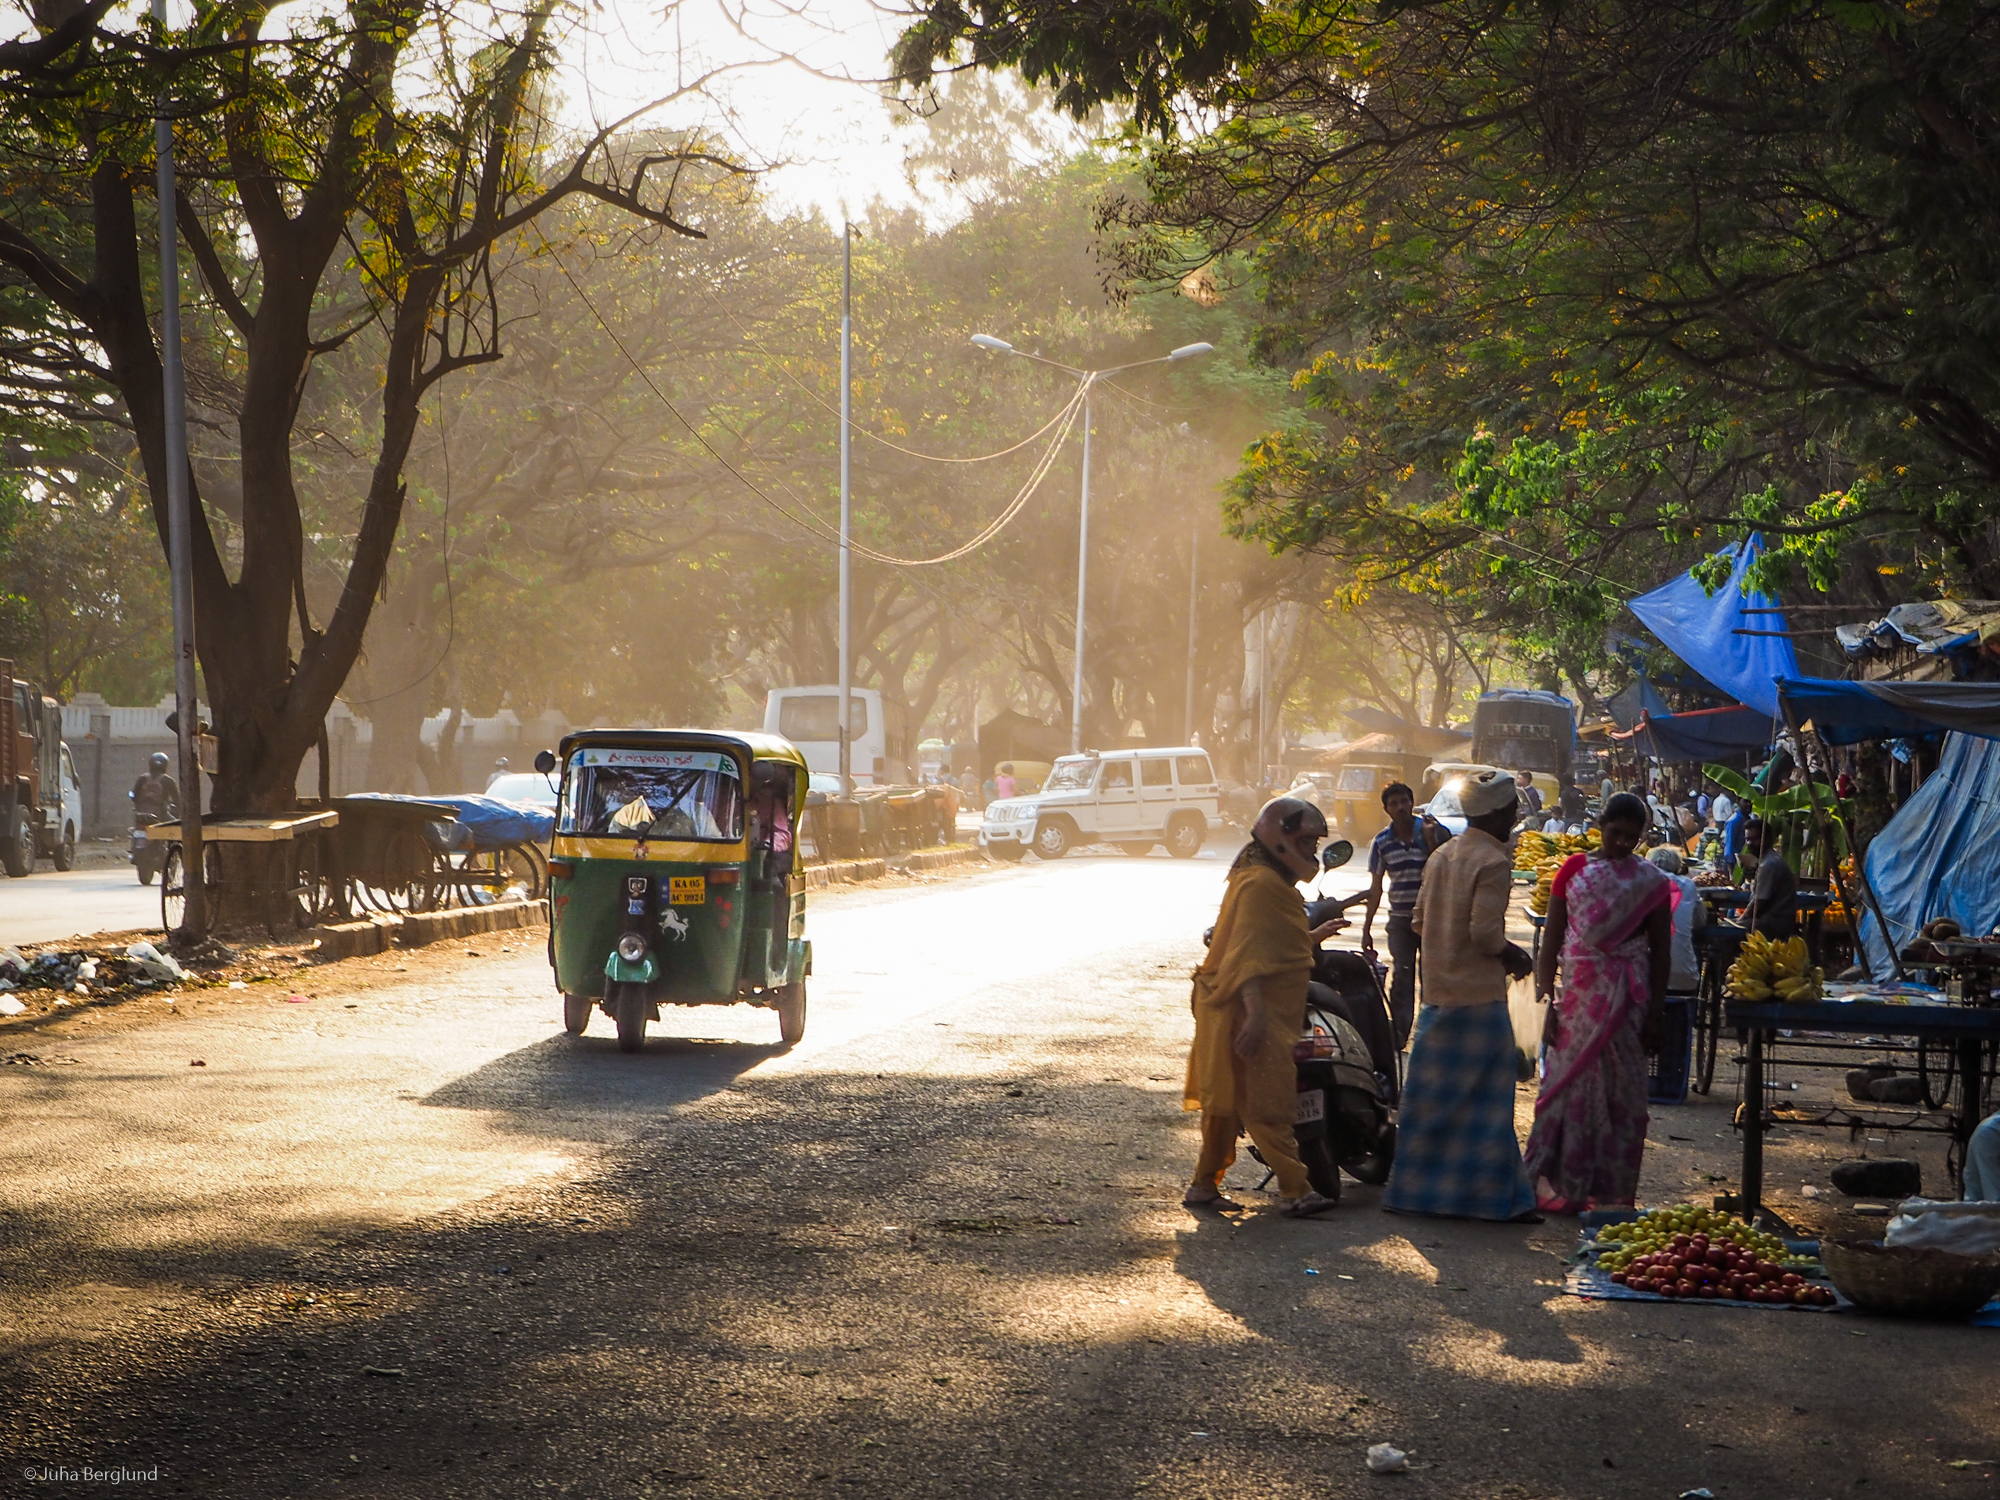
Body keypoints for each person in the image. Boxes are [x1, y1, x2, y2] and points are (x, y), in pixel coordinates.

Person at [1382, 769, 1542, 1222]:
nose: (1514, 819)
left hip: (1437, 998)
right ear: (1498, 814)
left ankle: (1418, 1193)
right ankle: (1493, 1199)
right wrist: (1515, 956)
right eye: (1511, 811)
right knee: (1487, 1109)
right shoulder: (1493, 862)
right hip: (1478, 1001)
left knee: (1432, 1105)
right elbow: (1485, 934)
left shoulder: (1442, 855)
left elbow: (1417, 921)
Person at [1184, 796, 1346, 1217]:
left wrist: (1312, 936)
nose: (1311, 851)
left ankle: (1203, 1185)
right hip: (1247, 1010)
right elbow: (1248, 959)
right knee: (1265, 1102)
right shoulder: (1261, 885)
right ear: (1281, 839)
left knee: (1227, 1102)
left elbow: (1268, 944)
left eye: (1314, 844)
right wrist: (1255, 1015)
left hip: (1239, 1007)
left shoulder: (1264, 881)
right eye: (1306, 842)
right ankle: (1296, 1188)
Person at [1524, 792, 1674, 1214]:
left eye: (1631, 837)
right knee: (1565, 1089)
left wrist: (1657, 1012)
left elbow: (1661, 951)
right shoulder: (1573, 870)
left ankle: (1610, 1191)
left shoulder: (1651, 882)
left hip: (1627, 1002)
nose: (1622, 843)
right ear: (1601, 826)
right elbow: (1551, 941)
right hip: (1577, 1000)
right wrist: (1544, 1001)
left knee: (1621, 1096)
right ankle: (1558, 1185)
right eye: (1616, 833)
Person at [1360, 781, 1442, 1050]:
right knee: (1403, 976)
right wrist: (1366, 929)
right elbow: (1375, 889)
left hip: (1432, 919)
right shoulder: (1381, 842)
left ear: (1412, 802)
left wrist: (1430, 840)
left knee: (1433, 977)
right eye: (1393, 804)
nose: (1400, 807)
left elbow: (1444, 871)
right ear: (1386, 809)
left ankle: (1431, 1036)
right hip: (1400, 921)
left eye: (1404, 801)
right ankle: (1397, 1037)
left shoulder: (1432, 830)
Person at [1647, 845, 1707, 993]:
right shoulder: (1687, 885)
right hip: (1685, 977)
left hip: (1646, 977)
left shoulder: (1643, 882)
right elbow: (1700, 921)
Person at [1740, 817, 1799, 938]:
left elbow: (1759, 902)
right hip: (1772, 920)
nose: (1750, 843)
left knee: (1728, 932)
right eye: (1748, 839)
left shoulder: (1769, 865)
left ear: (1767, 839)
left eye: (1755, 839)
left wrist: (1739, 921)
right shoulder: (1767, 861)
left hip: (1774, 923)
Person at [131, 752, 180, 824]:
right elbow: (177, 800)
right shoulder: (168, 780)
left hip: (141, 815)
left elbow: (133, 795)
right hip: (161, 815)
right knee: (177, 825)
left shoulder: (142, 778)